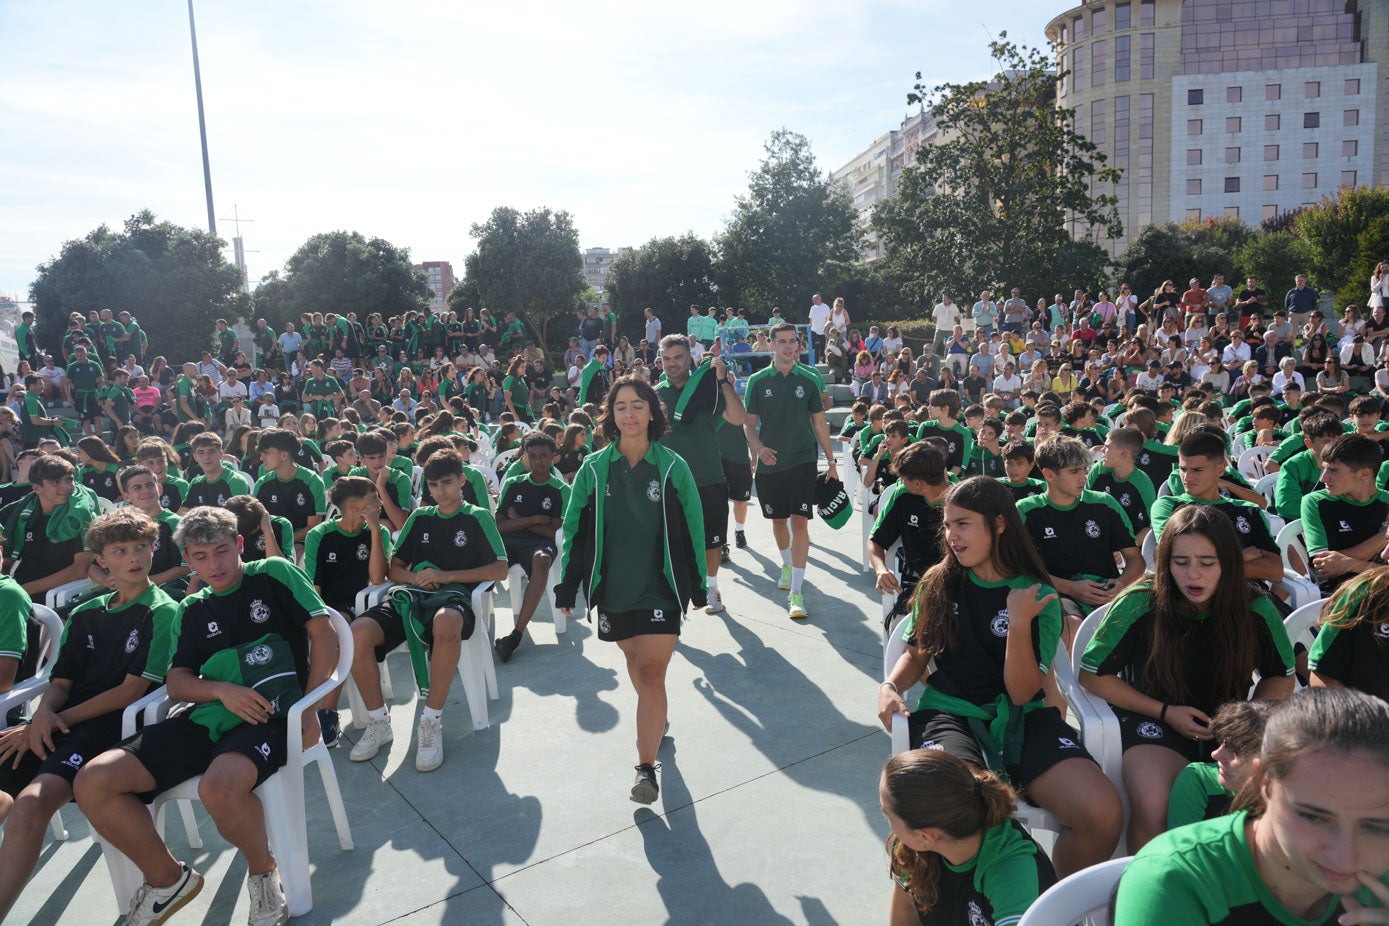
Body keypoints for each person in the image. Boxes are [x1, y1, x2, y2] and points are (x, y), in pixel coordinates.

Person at [73, 506, 339, 926]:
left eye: (221, 551)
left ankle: (263, 872)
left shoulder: (273, 573)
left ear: (237, 545)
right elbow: (177, 682)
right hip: (205, 716)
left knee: (219, 789)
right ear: (188, 560)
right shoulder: (192, 607)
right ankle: (167, 879)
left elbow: (324, 633)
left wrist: (312, 707)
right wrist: (220, 689)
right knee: (93, 780)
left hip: (269, 716)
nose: (213, 565)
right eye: (200, 557)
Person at [877, 476, 1122, 876]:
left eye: (963, 523)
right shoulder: (938, 582)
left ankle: (1052, 904)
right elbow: (916, 652)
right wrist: (890, 685)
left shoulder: (1035, 593)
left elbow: (1023, 691)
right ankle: (980, 903)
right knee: (959, 809)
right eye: (947, 525)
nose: (951, 535)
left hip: (1024, 718)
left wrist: (1020, 621)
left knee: (1103, 813)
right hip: (950, 715)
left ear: (999, 524)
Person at [1080, 505, 1294, 850]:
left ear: (1228, 561)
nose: (1194, 575)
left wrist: (1245, 728)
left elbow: (1281, 677)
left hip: (1228, 732)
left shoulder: (1256, 607)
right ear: (1164, 562)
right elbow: (1093, 674)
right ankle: (1151, 890)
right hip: (1154, 723)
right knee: (1153, 803)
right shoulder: (1140, 602)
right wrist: (1166, 712)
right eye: (1181, 563)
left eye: (1207, 563)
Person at [0, 509, 177, 919]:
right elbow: (60, 681)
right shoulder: (85, 612)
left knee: (31, 804)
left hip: (105, 730)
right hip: (60, 723)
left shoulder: (163, 611)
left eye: (141, 547)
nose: (135, 557)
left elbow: (129, 693)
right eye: (120, 550)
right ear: (101, 560)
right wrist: (41, 716)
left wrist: (53, 722)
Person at [1113, 686, 1389, 924]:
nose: (1344, 857)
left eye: (1376, 828)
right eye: (1314, 817)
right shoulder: (1174, 881)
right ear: (1264, 783)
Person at [555, 377, 707, 805]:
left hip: (660, 587)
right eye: (620, 406)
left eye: (638, 405)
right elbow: (574, 529)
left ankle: (645, 768)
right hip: (615, 588)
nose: (629, 413)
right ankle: (656, 716)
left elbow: (695, 525)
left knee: (653, 672)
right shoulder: (593, 468)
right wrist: (569, 584)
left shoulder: (674, 466)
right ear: (610, 414)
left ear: (652, 412)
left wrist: (698, 584)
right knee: (635, 663)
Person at [347, 450, 508, 771]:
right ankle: (379, 721)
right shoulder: (420, 518)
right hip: (411, 597)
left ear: (462, 481)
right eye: (433, 485)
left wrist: (445, 577)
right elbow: (394, 569)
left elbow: (501, 569)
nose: (440, 491)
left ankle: (431, 720)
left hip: (454, 598)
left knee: (446, 622)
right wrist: (417, 578)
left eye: (447, 483)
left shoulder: (477, 516)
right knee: (357, 633)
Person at [880, 749, 1056, 926]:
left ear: (926, 836)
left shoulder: (1010, 871)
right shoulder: (912, 848)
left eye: (886, 813)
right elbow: (906, 909)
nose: (888, 823)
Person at [743, 323, 836, 620]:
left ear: (798, 345)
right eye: (781, 341)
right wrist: (757, 448)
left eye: (791, 341)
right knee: (779, 521)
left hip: (802, 460)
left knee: (800, 522)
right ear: (771, 345)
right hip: (771, 464)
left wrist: (832, 463)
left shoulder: (810, 379)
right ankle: (786, 563)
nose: (787, 346)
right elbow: (748, 423)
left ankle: (797, 592)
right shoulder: (757, 381)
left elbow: (820, 423)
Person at [654, 335, 746, 614]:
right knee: (669, 543)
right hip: (668, 482)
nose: (672, 364)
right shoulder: (653, 394)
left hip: (709, 476)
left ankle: (711, 587)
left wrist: (723, 380)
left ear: (690, 357)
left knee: (712, 540)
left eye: (678, 357)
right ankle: (671, 595)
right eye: (667, 358)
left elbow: (738, 417)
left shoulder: (707, 387)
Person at [1017, 437, 1143, 628]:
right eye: (1074, 472)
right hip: (1059, 594)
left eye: (1085, 470)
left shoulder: (1104, 503)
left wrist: (1121, 584)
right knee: (1072, 626)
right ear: (1049, 475)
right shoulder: (1026, 510)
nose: (1084, 477)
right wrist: (1071, 588)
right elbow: (1019, 569)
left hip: (1107, 592)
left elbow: (1136, 559)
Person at [492, 432, 569, 663]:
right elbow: (500, 525)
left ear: (553, 456)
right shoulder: (514, 484)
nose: (538, 461)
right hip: (509, 541)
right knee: (481, 557)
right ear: (525, 456)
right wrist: (535, 519)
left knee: (542, 561)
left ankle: (516, 635)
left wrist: (519, 519)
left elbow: (554, 532)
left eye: (544, 456)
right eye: (533, 456)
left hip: (539, 545)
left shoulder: (561, 490)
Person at [0, 455, 97, 603]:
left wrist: (23, 590)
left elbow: (80, 569)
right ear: (37, 488)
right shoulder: (24, 513)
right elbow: (6, 563)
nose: (67, 487)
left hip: (60, 594)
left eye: (69, 479)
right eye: (55, 482)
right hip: (21, 587)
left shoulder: (77, 515)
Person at [1167, 700, 1273, 830]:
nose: (1215, 754)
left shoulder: (1292, 800)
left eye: (1235, 751)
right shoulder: (1198, 780)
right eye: (1221, 743)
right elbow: (1183, 848)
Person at [253, 427, 326, 542]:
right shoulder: (262, 483)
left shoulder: (313, 481)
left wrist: (284, 543)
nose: (262, 457)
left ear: (284, 455)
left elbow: (312, 527)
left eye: (266, 453)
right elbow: (256, 524)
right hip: (269, 541)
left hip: (300, 542)